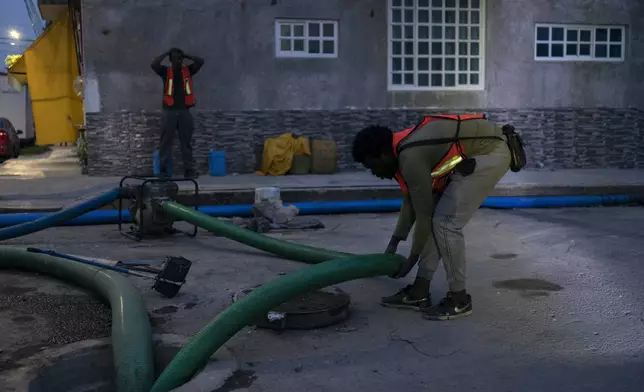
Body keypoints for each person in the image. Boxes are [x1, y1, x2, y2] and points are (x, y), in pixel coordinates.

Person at [352, 114, 512, 321]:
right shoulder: (402, 150)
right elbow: (413, 199)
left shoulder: (410, 156)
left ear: (383, 155)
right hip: (475, 153)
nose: (374, 173)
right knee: (438, 220)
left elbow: (423, 214)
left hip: (490, 152)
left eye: (371, 166)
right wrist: (395, 241)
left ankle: (459, 300)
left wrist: (412, 258)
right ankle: (419, 291)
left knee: (445, 224)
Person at [151, 48, 204, 178]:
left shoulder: (188, 71)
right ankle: (163, 171)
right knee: (165, 142)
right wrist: (166, 52)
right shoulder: (165, 72)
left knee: (186, 142)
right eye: (175, 58)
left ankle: (189, 170)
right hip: (169, 112)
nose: (178, 60)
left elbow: (201, 61)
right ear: (171, 59)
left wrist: (187, 55)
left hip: (184, 111)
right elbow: (154, 64)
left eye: (180, 58)